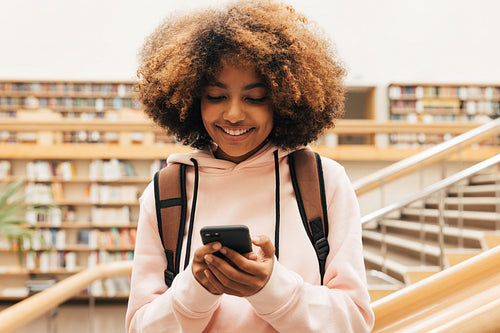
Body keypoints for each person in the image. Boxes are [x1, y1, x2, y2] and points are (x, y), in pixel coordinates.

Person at [126, 0, 375, 332]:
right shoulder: (165, 192)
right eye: (215, 96)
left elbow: (354, 322)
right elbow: (141, 327)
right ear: (192, 99)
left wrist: (271, 287)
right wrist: (197, 288)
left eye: (254, 98)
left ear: (283, 99)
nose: (232, 114)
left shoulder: (322, 180)